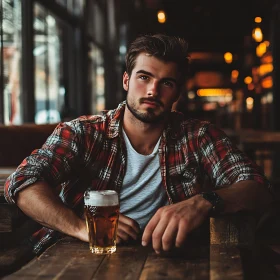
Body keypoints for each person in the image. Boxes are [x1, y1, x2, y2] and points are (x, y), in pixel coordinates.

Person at [5, 34, 274, 255]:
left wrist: (202, 202)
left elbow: (258, 187)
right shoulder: (83, 133)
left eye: (166, 83)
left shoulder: (199, 137)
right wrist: (83, 227)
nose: (152, 91)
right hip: (73, 253)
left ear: (177, 93)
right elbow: (23, 181)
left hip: (168, 259)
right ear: (126, 80)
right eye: (144, 77)